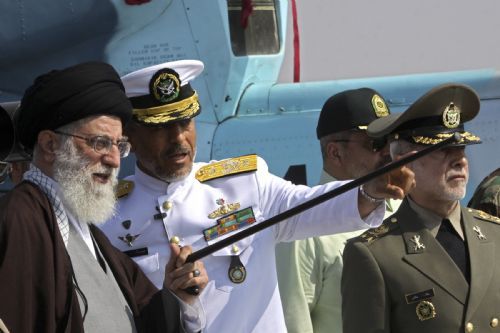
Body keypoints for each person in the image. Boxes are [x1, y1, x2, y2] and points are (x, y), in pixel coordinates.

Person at [100, 60, 415, 333]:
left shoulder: (245, 185)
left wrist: (369, 191)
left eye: (186, 122)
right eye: (161, 127)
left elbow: (314, 205)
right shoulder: (104, 218)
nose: (179, 138)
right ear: (130, 134)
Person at [0, 61, 208, 333]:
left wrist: (179, 295)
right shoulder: (20, 220)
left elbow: (147, 321)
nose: (113, 160)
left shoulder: (93, 236)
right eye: (99, 143)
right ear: (51, 144)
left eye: (119, 145)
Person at [341, 83, 500, 333]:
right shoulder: (375, 254)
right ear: (405, 163)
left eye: (461, 148)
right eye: (443, 150)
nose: (459, 160)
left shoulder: (494, 234)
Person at [276, 88, 401, 333]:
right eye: (375, 143)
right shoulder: (304, 229)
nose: (388, 152)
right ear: (335, 152)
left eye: (391, 140)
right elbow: (293, 323)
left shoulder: (402, 209)